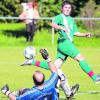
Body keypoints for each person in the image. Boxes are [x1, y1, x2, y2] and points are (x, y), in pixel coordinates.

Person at [1, 49, 79, 100]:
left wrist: (6, 92)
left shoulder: (31, 93)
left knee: (23, 90)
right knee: (59, 74)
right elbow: (54, 71)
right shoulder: (50, 84)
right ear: (44, 80)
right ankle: (69, 92)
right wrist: (48, 58)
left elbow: (16, 99)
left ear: (34, 82)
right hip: (52, 95)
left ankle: (69, 93)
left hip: (36, 94)